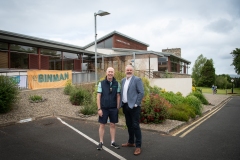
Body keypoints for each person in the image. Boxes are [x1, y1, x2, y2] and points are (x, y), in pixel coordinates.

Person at [120, 65, 144, 155]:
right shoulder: (123, 80)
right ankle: (131, 142)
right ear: (125, 71)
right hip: (126, 106)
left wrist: (136, 104)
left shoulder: (137, 79)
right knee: (129, 125)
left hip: (134, 107)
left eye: (130, 70)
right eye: (127, 70)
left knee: (135, 126)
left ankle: (138, 146)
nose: (129, 71)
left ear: (133, 71)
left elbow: (141, 92)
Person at [96, 67, 121, 150]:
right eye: (109, 72)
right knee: (102, 124)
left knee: (112, 124)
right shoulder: (101, 83)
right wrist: (99, 109)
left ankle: (113, 142)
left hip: (113, 108)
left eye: (112, 72)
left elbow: (118, 96)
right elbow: (98, 96)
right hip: (104, 108)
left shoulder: (117, 84)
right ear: (106, 73)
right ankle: (101, 142)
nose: (110, 73)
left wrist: (117, 108)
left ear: (114, 73)